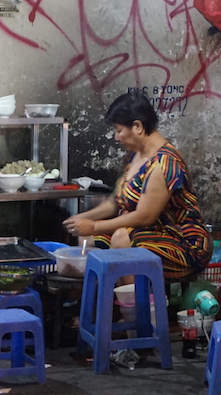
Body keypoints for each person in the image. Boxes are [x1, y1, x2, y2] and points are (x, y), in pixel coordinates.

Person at [63, 91, 212, 280]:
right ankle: (106, 302)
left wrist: (93, 226)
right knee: (88, 240)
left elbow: (144, 217)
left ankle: (133, 307)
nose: (116, 137)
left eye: (118, 130)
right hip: (150, 233)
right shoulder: (134, 156)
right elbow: (115, 203)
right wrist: (81, 220)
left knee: (121, 238)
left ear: (138, 127)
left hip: (184, 243)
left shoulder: (164, 162)